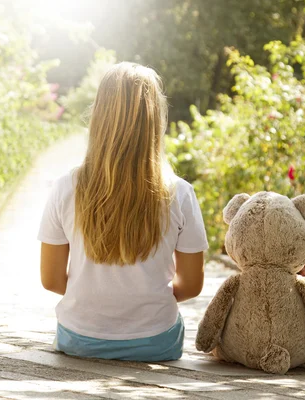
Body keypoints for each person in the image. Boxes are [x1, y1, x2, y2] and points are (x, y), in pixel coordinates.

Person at [37, 62, 208, 362]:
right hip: (156, 341)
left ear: (99, 117)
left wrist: (95, 296)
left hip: (80, 338)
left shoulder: (64, 187)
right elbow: (192, 285)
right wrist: (144, 298)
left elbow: (50, 280)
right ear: (156, 120)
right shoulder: (180, 194)